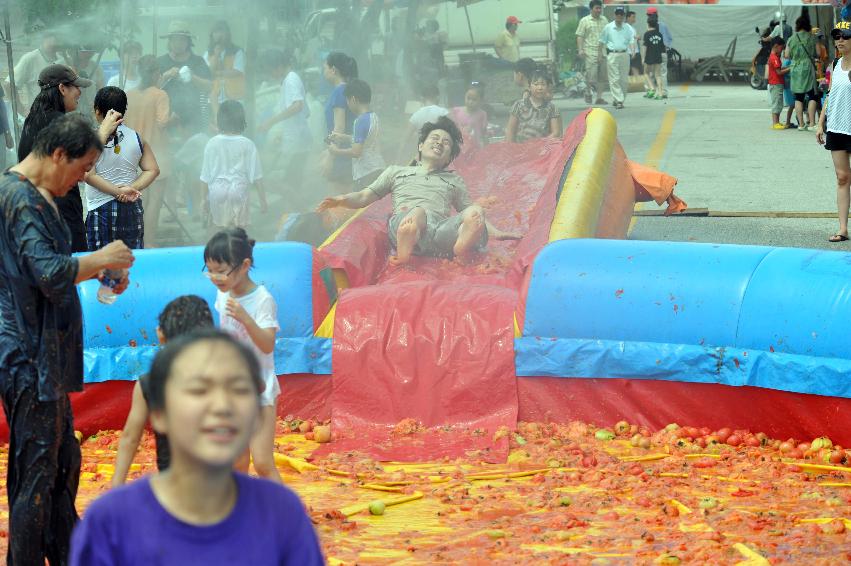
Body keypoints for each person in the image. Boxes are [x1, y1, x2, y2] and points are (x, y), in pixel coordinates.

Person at [0, 113, 134, 565]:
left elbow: (50, 269)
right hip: (28, 355)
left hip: (45, 354)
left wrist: (100, 268)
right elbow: (51, 275)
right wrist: (98, 259)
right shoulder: (19, 199)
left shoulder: (38, 196)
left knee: (60, 465)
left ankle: (68, 552)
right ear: (58, 154)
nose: (80, 180)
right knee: (38, 474)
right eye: (80, 170)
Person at [69, 330, 324, 565]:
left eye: (238, 390)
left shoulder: (284, 516)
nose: (221, 407)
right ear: (159, 414)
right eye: (198, 391)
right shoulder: (110, 522)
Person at [318, 116, 521, 265]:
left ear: (449, 157)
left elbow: (467, 211)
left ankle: (460, 245)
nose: (440, 143)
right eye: (434, 138)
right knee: (418, 213)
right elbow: (364, 196)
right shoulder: (397, 172)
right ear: (421, 146)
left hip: (438, 232)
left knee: (476, 211)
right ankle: (406, 250)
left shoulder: (453, 179)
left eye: (446, 142)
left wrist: (497, 232)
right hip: (406, 224)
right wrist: (341, 200)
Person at [17, 64, 122, 253]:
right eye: (76, 87)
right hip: (61, 208)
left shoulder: (33, 119)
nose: (79, 92)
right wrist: (104, 130)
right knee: (72, 263)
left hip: (38, 208)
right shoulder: (58, 122)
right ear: (62, 88)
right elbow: (84, 158)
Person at [204, 229, 282, 483]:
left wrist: (246, 318)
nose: (215, 277)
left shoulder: (262, 300)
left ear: (245, 265)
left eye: (221, 270)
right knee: (237, 461)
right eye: (209, 270)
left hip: (258, 388)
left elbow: (267, 344)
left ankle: (288, 518)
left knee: (262, 462)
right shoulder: (223, 292)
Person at [112, 295, 215, 486]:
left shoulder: (149, 383)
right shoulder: (222, 378)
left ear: (161, 334)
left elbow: (130, 438)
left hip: (173, 486)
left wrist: (116, 487)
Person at [84, 86, 160, 251]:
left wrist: (119, 193)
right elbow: (153, 169)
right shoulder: (137, 137)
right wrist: (130, 189)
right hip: (131, 207)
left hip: (100, 209)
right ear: (123, 111)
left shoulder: (89, 138)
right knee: (132, 261)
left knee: (101, 265)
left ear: (97, 111)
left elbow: (88, 174)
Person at [125, 55, 173, 248]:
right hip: (156, 154)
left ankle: (139, 241)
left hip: (133, 155)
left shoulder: (128, 95)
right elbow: (162, 122)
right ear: (156, 73)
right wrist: (174, 118)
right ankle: (150, 241)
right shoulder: (160, 95)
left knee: (141, 200)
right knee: (155, 200)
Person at [200, 101, 266, 232]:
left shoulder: (211, 143)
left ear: (219, 120)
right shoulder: (248, 144)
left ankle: (216, 251)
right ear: (242, 119)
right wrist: (263, 200)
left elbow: (205, 176)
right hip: (239, 191)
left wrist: (202, 200)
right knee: (239, 233)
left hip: (217, 191)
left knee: (217, 231)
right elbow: (257, 176)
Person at [257, 49, 312, 198]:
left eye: (270, 70)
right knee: (292, 183)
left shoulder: (291, 79)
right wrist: (283, 133)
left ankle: (298, 214)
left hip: (298, 141)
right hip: (297, 138)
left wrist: (270, 122)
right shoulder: (289, 80)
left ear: (279, 66)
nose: (270, 75)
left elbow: (298, 105)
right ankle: (295, 215)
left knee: (290, 186)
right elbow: (304, 113)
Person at [817, 21, 851, 243]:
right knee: (842, 177)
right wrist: (820, 123)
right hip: (837, 126)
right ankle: (842, 229)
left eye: (844, 37)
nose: (839, 41)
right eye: (836, 37)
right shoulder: (836, 63)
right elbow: (830, 95)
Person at [157, 20, 213, 136]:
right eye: (174, 39)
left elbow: (209, 86)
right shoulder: (160, 62)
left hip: (193, 120)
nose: (178, 43)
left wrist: (192, 77)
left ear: (188, 41)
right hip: (166, 119)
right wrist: (166, 75)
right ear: (169, 41)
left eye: (182, 39)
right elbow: (151, 88)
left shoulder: (198, 61)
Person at [328, 79, 385, 190]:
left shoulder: (359, 121)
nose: (348, 105)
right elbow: (367, 139)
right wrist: (344, 137)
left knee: (361, 205)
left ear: (353, 99)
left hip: (366, 174)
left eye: (347, 101)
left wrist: (336, 151)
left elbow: (356, 152)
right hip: (378, 168)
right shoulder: (373, 116)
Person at [323, 52, 358, 194]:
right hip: (346, 150)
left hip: (341, 154)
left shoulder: (339, 91)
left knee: (341, 202)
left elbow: (339, 127)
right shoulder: (346, 89)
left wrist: (330, 156)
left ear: (333, 70)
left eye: (324, 68)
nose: (323, 72)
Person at [9, 31, 65, 115]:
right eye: (49, 38)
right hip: (38, 117)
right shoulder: (30, 58)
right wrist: (21, 110)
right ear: (43, 40)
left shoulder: (62, 60)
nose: (53, 42)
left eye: (56, 38)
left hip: (59, 117)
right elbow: (9, 84)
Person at [506, 69, 562, 143]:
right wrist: (510, 147)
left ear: (547, 87)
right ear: (529, 86)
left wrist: (538, 144)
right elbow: (510, 130)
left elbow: (556, 133)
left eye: (543, 84)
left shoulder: (552, 108)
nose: (540, 88)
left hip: (543, 149)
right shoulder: (518, 105)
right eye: (536, 84)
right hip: (520, 149)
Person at [399, 82, 448, 163]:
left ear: (422, 98)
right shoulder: (444, 113)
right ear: (438, 97)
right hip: (441, 157)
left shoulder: (416, 116)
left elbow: (405, 140)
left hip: (423, 157)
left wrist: (398, 159)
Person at [598, 6, 635, 110]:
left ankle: (619, 98)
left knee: (623, 80)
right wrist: (600, 54)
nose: (619, 16)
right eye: (617, 14)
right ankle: (619, 100)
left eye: (621, 14)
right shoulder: (608, 27)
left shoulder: (627, 27)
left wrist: (632, 51)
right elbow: (601, 41)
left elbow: (631, 40)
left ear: (624, 16)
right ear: (614, 15)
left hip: (624, 54)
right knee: (615, 79)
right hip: (612, 55)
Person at [204, 21, 246, 111]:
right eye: (215, 32)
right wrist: (215, 56)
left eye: (221, 31)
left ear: (227, 34)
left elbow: (238, 71)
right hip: (214, 98)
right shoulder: (208, 53)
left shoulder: (237, 51)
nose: (219, 35)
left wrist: (218, 73)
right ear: (212, 35)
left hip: (235, 98)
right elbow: (208, 73)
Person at [786, 16, 819, 132]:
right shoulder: (812, 38)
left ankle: (801, 124)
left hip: (795, 68)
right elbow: (818, 53)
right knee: (812, 95)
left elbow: (786, 55)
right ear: (807, 25)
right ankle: (812, 123)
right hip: (808, 68)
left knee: (798, 97)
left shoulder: (791, 39)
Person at [576, 0, 609, 105]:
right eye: (597, 8)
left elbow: (608, 34)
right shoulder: (584, 21)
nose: (599, 10)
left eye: (600, 8)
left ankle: (599, 98)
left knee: (602, 76)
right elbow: (580, 36)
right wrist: (580, 49)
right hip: (590, 51)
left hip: (603, 52)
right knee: (591, 76)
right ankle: (588, 91)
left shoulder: (604, 20)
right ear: (591, 9)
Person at [449, 82, 489, 153]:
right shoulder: (456, 111)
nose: (470, 101)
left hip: (475, 149)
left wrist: (486, 149)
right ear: (464, 96)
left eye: (474, 100)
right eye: (468, 98)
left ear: (481, 101)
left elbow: (484, 133)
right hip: (458, 148)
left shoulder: (482, 114)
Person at [646, 7, 672, 100]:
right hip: (663, 52)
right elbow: (669, 38)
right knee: (662, 73)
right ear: (657, 14)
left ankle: (653, 91)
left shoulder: (649, 27)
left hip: (653, 53)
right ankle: (663, 92)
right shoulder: (663, 25)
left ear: (648, 16)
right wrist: (667, 47)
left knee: (652, 73)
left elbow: (647, 41)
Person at [766, 37, 789, 130]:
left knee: (779, 103)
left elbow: (779, 69)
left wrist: (786, 67)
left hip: (776, 83)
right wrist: (790, 68)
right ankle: (775, 123)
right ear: (776, 46)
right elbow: (779, 72)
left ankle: (777, 122)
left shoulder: (774, 57)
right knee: (776, 103)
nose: (782, 50)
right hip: (776, 84)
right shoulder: (774, 58)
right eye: (782, 48)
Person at [643, 17, 666, 100]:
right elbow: (662, 48)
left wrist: (643, 58)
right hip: (658, 56)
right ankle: (660, 94)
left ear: (648, 24)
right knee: (658, 75)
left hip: (649, 56)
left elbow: (645, 47)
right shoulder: (660, 34)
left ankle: (652, 87)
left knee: (646, 73)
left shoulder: (647, 34)